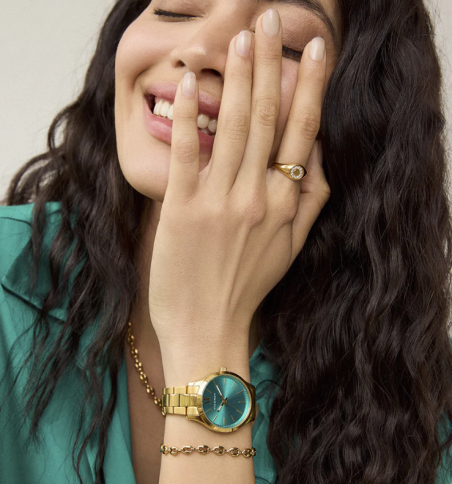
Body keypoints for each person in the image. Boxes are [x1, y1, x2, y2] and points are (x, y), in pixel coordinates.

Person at [0, 0, 451, 483]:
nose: (199, 49)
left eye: (285, 43)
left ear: (357, 112)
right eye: (175, 9)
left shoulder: (411, 395)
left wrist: (207, 330)